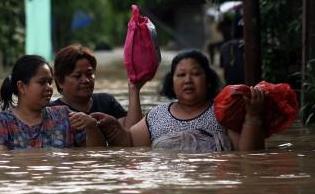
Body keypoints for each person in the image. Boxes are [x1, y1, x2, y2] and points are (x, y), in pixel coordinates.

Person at [92, 49, 266, 152]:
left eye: (196, 74)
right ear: (172, 83)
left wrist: (253, 117)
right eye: (181, 75)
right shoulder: (157, 116)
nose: (188, 80)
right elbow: (130, 144)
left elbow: (247, 157)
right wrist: (113, 127)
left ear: (209, 80)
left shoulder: (223, 112)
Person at [0, 55, 105, 153]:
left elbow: (94, 155)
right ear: (22, 87)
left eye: (50, 82)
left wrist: (92, 128)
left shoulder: (64, 116)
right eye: (42, 82)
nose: (49, 88)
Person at [50, 44, 145, 128]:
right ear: (60, 81)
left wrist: (134, 90)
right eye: (77, 76)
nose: (86, 80)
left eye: (89, 73)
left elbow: (132, 134)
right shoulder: (52, 113)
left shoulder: (106, 102)